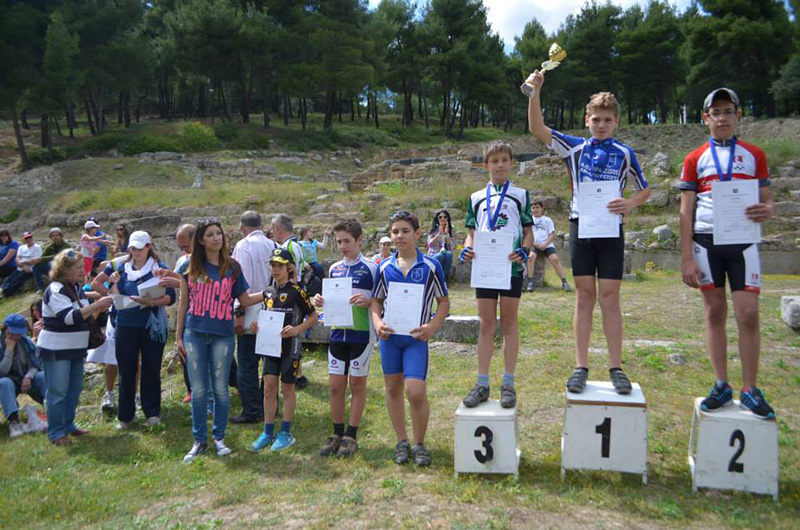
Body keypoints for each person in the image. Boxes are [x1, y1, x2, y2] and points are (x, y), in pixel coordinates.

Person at [526, 70, 651, 395]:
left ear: (616, 122)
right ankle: (580, 366)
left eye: (607, 120)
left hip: (611, 231)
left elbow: (645, 189)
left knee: (610, 299)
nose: (601, 124)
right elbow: (537, 128)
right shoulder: (575, 147)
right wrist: (535, 92)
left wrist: (630, 203)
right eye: (596, 119)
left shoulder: (625, 153)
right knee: (584, 297)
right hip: (581, 229)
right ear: (586, 120)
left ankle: (616, 368)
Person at [679, 88, 776, 419]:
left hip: (744, 243)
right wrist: (686, 257)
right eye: (715, 112)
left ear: (738, 115)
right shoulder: (694, 158)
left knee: (748, 314)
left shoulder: (754, 154)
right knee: (715, 311)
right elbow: (685, 211)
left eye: (728, 111)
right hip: (706, 243)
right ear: (705, 118)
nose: (722, 118)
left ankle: (750, 387)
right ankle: (721, 384)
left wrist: (767, 209)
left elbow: (768, 200)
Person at [166, 219, 269, 462]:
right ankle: (199, 440)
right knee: (199, 390)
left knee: (221, 389)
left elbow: (244, 300)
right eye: (210, 235)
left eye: (219, 233)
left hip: (222, 335)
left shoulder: (232, 267)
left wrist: (267, 293)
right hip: (194, 334)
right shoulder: (190, 267)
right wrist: (178, 336)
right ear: (201, 241)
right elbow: (183, 303)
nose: (216, 238)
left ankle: (219, 437)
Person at [371, 211, 449, 466]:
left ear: (417, 234)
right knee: (393, 387)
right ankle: (402, 441)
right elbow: (376, 301)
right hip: (390, 339)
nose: (399, 236)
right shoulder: (384, 267)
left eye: (405, 231)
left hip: (416, 339)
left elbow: (443, 302)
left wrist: (433, 326)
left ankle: (419, 443)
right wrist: (377, 322)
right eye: (395, 231)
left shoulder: (431, 266)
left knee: (415, 391)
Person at [459, 141, 534, 409]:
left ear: (512, 163)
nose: (500, 165)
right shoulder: (476, 197)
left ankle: (508, 383)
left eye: (504, 160)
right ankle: (482, 383)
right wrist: (466, 249)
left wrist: (525, 250)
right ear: (485, 165)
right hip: (485, 269)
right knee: (486, 324)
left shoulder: (521, 195)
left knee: (510, 323)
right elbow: (471, 234)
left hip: (510, 266)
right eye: (494, 161)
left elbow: (528, 232)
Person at [311, 219, 378, 458]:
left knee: (356, 385)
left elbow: (382, 300)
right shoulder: (335, 269)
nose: (342, 247)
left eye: (347, 241)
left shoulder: (372, 268)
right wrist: (320, 301)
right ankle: (337, 433)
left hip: (361, 334)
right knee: (335, 386)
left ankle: (351, 435)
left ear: (360, 240)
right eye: (339, 242)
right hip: (338, 333)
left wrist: (369, 301)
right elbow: (331, 300)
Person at [100, 231, 175, 429]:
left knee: (151, 369)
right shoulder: (122, 268)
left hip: (151, 326)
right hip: (126, 325)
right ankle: (125, 416)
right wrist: (113, 284)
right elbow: (116, 298)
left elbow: (171, 297)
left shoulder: (159, 268)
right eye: (133, 248)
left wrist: (152, 302)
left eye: (140, 248)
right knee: (126, 371)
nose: (136, 252)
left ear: (148, 247)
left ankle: (152, 413)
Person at [37, 249, 113, 445]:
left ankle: (68, 425)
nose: (82, 270)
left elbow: (82, 310)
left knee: (74, 389)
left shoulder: (76, 288)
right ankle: (56, 432)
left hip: (76, 349)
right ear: (65, 270)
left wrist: (97, 303)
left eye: (82, 267)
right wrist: (97, 305)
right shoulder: (55, 290)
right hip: (56, 350)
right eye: (78, 267)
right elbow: (69, 317)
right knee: (58, 391)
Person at [249, 248, 318, 452]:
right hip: (270, 347)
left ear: (289, 268)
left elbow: (313, 316)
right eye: (273, 265)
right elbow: (268, 317)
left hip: (290, 348)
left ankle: (286, 432)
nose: (275, 269)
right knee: (268, 388)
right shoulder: (268, 292)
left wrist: (297, 329)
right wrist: (258, 328)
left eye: (280, 265)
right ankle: (267, 431)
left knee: (287, 388)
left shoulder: (297, 291)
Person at [231, 211, 275, 424]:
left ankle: (252, 409)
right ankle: (269, 405)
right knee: (269, 363)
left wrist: (238, 312)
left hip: (250, 309)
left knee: (247, 363)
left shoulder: (243, 246)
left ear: (242, 227)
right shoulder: (273, 245)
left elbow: (242, 281)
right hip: (272, 310)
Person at [270, 214, 309, 388]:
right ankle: (297, 373)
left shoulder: (287, 247)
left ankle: (296, 374)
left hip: (291, 294)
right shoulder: (296, 244)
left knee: (290, 334)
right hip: (295, 290)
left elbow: (292, 271)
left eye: (273, 229)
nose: (272, 233)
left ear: (278, 229)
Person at [1, 314, 47, 438]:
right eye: (12, 332)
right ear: (6, 328)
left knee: (42, 376)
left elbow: (36, 364)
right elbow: (3, 372)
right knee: (4, 382)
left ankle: (53, 411)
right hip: (7, 382)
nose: (15, 336)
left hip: (25, 379)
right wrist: (9, 350)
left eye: (18, 333)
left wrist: (28, 377)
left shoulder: (26, 342)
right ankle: (13, 421)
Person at [526, 200, 571, 292]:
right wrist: (534, 243)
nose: (535, 209)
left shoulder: (547, 220)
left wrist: (545, 244)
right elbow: (526, 233)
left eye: (537, 207)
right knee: (531, 258)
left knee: (555, 259)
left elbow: (552, 234)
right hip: (534, 243)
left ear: (542, 209)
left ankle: (564, 282)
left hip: (546, 244)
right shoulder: (529, 220)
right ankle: (530, 282)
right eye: (533, 208)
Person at [1, 231, 42, 297]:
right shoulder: (21, 248)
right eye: (26, 238)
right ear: (23, 239)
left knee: (15, 281)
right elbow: (17, 259)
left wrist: (22, 263)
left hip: (29, 270)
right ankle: (2, 291)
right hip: (20, 268)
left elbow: (36, 261)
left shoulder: (37, 247)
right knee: (8, 280)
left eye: (29, 237)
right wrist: (24, 265)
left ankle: (5, 294)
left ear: (32, 237)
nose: (28, 239)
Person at [31, 228, 70, 294]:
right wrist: (37, 260)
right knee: (36, 267)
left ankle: (53, 288)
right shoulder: (49, 247)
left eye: (57, 235)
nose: (55, 237)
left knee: (51, 264)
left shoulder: (66, 246)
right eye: (53, 236)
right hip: (51, 266)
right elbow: (42, 258)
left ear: (61, 236)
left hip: (62, 267)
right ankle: (40, 288)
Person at [427, 210, 454, 278]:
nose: (442, 218)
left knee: (449, 254)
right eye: (440, 217)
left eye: (445, 217)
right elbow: (430, 244)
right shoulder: (433, 230)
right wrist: (439, 234)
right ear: (437, 219)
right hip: (434, 255)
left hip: (445, 255)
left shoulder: (449, 231)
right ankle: (436, 277)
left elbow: (451, 246)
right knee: (440, 256)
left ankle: (443, 277)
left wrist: (447, 233)